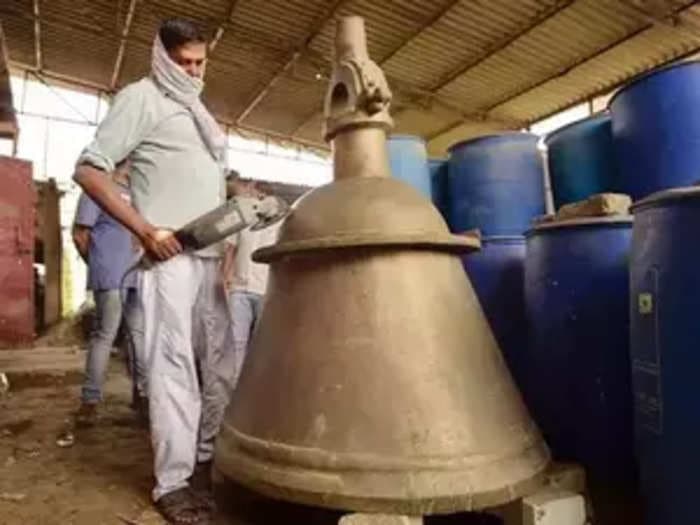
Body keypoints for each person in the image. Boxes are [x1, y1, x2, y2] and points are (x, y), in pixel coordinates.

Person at [73, 17, 233, 525]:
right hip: (169, 255)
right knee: (172, 368)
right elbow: (89, 168)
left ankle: (206, 461)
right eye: (182, 62)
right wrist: (145, 230)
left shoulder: (195, 108)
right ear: (162, 58)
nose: (191, 71)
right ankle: (173, 482)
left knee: (221, 367)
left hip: (210, 255)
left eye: (199, 62)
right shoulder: (141, 97)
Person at [72, 160, 146, 423]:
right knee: (110, 334)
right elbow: (81, 235)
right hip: (116, 272)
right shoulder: (98, 187)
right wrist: (99, 264)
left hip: (134, 274)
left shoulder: (139, 192)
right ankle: (93, 399)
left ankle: (140, 395)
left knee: (132, 335)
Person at [221, 178, 281, 388]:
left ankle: (256, 387)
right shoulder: (244, 218)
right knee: (236, 341)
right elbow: (231, 249)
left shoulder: (281, 221)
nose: (247, 195)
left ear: (262, 195)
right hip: (240, 287)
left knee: (260, 342)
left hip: (266, 289)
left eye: (251, 191)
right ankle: (236, 386)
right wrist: (225, 277)